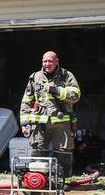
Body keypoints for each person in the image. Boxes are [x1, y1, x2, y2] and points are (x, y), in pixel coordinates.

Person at [19, 51, 81, 179]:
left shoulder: (66, 75)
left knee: (63, 152)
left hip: (61, 124)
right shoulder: (35, 77)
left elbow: (76, 95)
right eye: (45, 61)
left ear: (57, 61)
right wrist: (24, 124)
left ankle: (63, 182)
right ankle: (39, 180)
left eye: (50, 61)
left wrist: (56, 90)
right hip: (39, 124)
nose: (47, 64)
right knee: (38, 151)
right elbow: (26, 101)